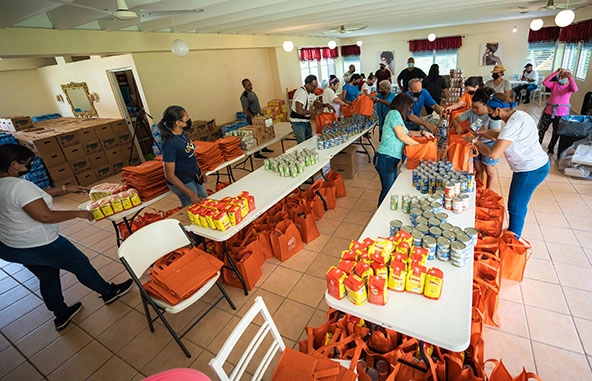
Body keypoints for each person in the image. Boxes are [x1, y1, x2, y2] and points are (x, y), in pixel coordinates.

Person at [0, 144, 134, 331]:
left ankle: (61, 314)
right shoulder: (19, 187)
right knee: (80, 263)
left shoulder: (5, 185)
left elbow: (34, 196)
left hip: (15, 247)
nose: (28, 167)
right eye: (27, 164)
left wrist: (64, 188)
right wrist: (79, 213)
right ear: (14, 164)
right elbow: (44, 215)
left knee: (48, 277)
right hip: (41, 243)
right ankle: (108, 292)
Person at [463, 93, 549, 238]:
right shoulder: (520, 115)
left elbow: (493, 154)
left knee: (515, 207)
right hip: (535, 164)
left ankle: (513, 240)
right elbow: (504, 135)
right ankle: (512, 234)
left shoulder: (512, 124)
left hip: (530, 169)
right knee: (518, 205)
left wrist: (474, 141)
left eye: (491, 111)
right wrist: (486, 132)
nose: (490, 114)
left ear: (498, 110)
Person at [374, 93, 434, 206]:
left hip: (390, 158)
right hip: (385, 158)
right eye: (409, 107)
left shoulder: (396, 116)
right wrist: (420, 147)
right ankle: (380, 212)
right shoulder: (394, 114)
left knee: (391, 187)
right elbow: (401, 136)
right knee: (388, 189)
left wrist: (422, 132)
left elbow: (408, 132)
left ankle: (385, 209)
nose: (409, 110)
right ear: (403, 105)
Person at [452, 87, 501, 189]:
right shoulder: (471, 112)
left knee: (490, 171)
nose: (474, 110)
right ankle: (479, 189)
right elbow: (455, 120)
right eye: (472, 107)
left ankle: (488, 192)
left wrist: (482, 133)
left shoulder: (492, 116)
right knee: (478, 169)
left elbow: (496, 137)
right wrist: (458, 127)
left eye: (477, 107)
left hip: (488, 145)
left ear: (486, 105)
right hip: (475, 144)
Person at [159, 105, 208, 207]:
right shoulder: (170, 144)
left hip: (193, 175)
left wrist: (199, 170)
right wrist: (190, 193)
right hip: (183, 181)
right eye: (186, 117)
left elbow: (189, 155)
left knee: (205, 200)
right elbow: (170, 175)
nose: (189, 119)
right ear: (178, 122)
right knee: (194, 207)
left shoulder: (182, 134)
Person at [538, 68, 579, 156]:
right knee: (542, 129)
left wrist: (570, 77)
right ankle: (537, 146)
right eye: (560, 77)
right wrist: (556, 72)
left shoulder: (569, 87)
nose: (561, 79)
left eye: (563, 77)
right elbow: (545, 82)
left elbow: (575, 89)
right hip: (549, 111)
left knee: (556, 132)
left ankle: (551, 149)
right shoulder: (555, 85)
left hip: (561, 113)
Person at [240, 79, 273, 159]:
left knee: (262, 133)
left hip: (259, 116)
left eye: (251, 84)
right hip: (252, 118)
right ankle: (257, 154)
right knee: (256, 134)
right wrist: (253, 118)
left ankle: (264, 148)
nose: (250, 86)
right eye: (248, 85)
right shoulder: (244, 96)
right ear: (244, 86)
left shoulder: (253, 93)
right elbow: (245, 110)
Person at [289, 74, 323, 143]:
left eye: (316, 86)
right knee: (302, 144)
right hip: (298, 122)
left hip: (306, 121)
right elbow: (299, 111)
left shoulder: (310, 92)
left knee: (309, 142)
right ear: (307, 84)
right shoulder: (301, 93)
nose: (315, 88)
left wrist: (325, 105)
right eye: (313, 86)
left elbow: (315, 103)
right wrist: (314, 112)